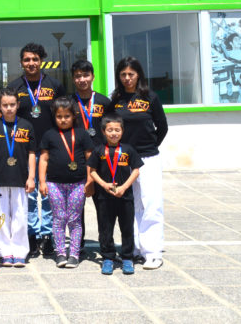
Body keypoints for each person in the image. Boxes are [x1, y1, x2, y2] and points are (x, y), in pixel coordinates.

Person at [8, 43, 66, 258]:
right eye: (26, 60)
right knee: (30, 195)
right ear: (21, 62)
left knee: (49, 193)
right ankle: (31, 236)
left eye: (35, 59)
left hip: (50, 149)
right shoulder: (15, 87)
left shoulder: (55, 85)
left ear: (41, 60)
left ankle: (48, 235)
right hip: (25, 149)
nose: (31, 63)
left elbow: (64, 115)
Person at [111, 56, 168, 270]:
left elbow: (162, 127)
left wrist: (149, 146)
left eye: (131, 74)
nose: (127, 78)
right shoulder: (115, 99)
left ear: (138, 75)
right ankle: (133, 248)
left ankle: (152, 252)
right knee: (130, 204)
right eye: (123, 74)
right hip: (124, 159)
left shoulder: (150, 97)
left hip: (148, 158)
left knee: (151, 203)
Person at [38, 97, 94, 268]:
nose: (63, 120)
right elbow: (44, 159)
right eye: (59, 116)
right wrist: (42, 181)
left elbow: (89, 158)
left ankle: (75, 254)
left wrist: (90, 180)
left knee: (75, 219)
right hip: (54, 183)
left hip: (78, 183)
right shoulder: (49, 135)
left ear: (73, 116)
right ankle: (60, 252)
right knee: (58, 218)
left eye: (67, 116)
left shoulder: (82, 134)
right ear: (54, 117)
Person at [0, 87, 36, 268]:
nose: (9, 108)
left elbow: (31, 153)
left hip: (20, 178)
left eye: (12, 105)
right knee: (2, 215)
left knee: (21, 215)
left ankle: (20, 251)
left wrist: (31, 177)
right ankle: (5, 251)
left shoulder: (26, 125)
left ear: (18, 105)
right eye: (5, 105)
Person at [87, 114, 143, 275]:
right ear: (103, 131)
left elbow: (136, 171)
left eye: (117, 130)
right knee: (105, 229)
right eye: (110, 130)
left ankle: (127, 257)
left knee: (127, 228)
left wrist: (124, 187)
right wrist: (104, 185)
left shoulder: (128, 150)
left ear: (122, 131)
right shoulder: (98, 150)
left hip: (125, 197)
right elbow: (92, 171)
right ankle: (108, 258)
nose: (113, 133)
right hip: (104, 197)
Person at [70, 59, 113, 249]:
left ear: (93, 77)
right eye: (78, 76)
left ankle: (106, 246)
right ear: (73, 79)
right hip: (77, 160)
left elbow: (113, 129)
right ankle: (76, 246)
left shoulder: (104, 102)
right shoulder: (69, 102)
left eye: (86, 75)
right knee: (76, 209)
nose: (82, 79)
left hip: (101, 161)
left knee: (103, 207)